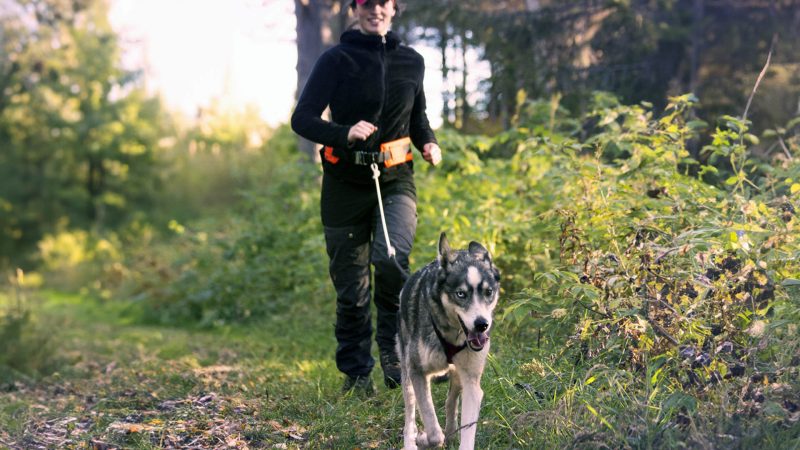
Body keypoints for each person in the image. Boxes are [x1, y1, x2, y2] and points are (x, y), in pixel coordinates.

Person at [291, 0, 442, 395]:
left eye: (382, 3)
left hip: (395, 180)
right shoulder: (336, 59)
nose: (374, 9)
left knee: (391, 258)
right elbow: (302, 118)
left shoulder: (412, 61)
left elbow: (418, 118)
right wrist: (343, 132)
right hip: (343, 185)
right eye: (365, 3)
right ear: (355, 9)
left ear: (394, 8)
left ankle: (395, 354)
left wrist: (429, 143)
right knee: (351, 289)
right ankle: (357, 376)